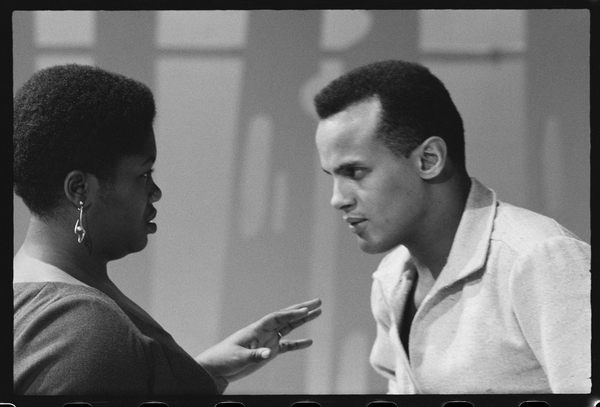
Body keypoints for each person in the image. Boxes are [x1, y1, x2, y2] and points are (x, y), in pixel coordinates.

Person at [13, 63, 322, 395]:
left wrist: (201, 373)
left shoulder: (41, 299)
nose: (155, 191)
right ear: (80, 189)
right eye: (144, 174)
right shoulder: (83, 330)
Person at [313, 60, 590, 394]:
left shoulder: (538, 259)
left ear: (429, 159)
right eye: (333, 177)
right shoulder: (390, 279)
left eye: (355, 173)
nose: (337, 199)